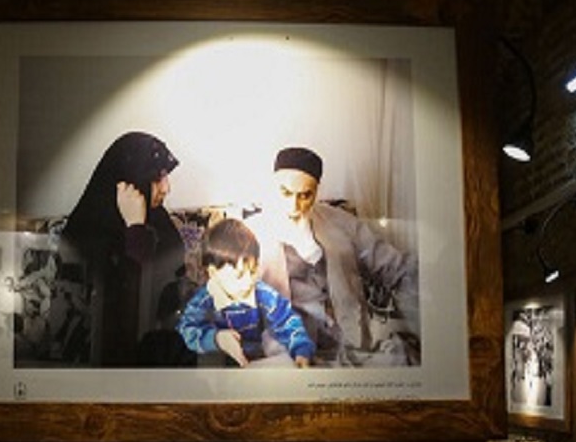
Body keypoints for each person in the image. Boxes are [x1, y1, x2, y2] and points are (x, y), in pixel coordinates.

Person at [250, 146, 420, 366]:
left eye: (305, 195)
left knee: (401, 359)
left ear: (316, 191)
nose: (294, 206)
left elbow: (392, 264)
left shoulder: (339, 222)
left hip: (351, 338)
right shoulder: (251, 233)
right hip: (289, 349)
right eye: (285, 193)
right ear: (273, 186)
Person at [57, 131, 188, 366]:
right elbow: (119, 303)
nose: (166, 188)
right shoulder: (85, 231)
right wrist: (135, 228)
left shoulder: (159, 222)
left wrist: (138, 228)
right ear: (131, 182)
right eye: (157, 178)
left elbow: (160, 293)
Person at [177, 218, 314, 367]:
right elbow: (186, 329)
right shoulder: (205, 299)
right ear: (213, 273)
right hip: (215, 366)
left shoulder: (261, 292)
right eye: (239, 275)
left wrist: (301, 350)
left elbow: (287, 320)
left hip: (253, 362)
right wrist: (217, 339)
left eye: (253, 271)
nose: (249, 281)